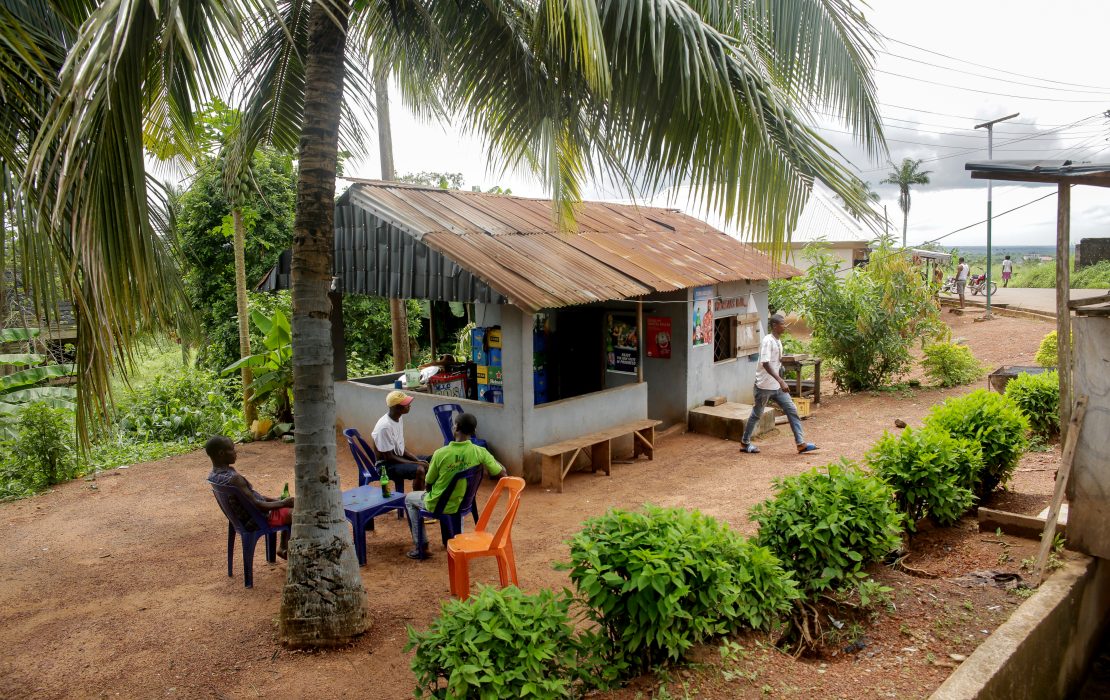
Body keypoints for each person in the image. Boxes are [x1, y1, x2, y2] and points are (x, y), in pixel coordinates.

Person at [403, 412, 504, 560]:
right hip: (463, 503)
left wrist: (431, 492)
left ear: (456, 427)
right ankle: (453, 540)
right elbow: (501, 472)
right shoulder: (480, 452)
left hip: (439, 504)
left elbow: (428, 483)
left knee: (409, 499)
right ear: (473, 431)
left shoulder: (440, 453)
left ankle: (422, 546)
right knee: (454, 498)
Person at [739, 314, 818, 455]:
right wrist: (781, 381)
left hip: (776, 387)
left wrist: (781, 376)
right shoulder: (767, 341)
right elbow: (765, 363)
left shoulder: (778, 341)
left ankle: (800, 444)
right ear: (775, 325)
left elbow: (777, 362)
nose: (785, 326)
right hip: (763, 387)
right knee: (757, 414)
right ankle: (745, 443)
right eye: (782, 324)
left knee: (792, 411)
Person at [205, 435, 294, 558]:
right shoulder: (234, 479)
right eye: (232, 449)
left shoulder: (214, 476)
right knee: (297, 513)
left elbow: (251, 497)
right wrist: (284, 503)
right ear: (221, 453)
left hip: (240, 519)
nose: (235, 452)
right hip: (257, 519)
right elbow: (258, 505)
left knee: (283, 502)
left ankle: (283, 547)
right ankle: (285, 547)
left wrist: (278, 500)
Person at [372, 390, 428, 491]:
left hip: (396, 457)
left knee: (431, 460)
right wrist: (416, 464)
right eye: (406, 404)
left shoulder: (398, 418)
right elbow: (389, 457)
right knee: (419, 470)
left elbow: (401, 447)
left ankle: (428, 497)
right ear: (396, 407)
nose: (409, 405)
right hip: (385, 465)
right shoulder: (385, 427)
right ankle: (417, 501)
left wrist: (416, 460)